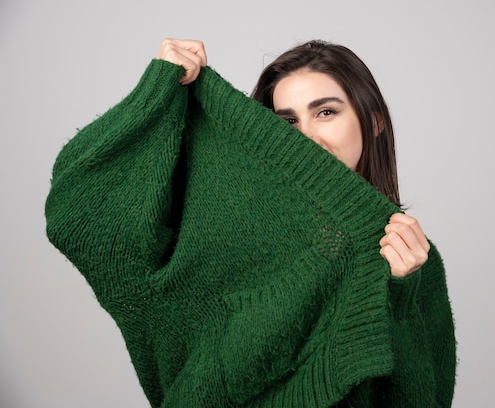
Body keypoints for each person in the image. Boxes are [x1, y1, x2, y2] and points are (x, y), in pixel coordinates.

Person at [46, 38, 456, 407]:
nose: (307, 137)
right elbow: (82, 215)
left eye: (326, 112)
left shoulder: (413, 258)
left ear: (375, 121)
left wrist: (400, 298)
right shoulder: (234, 225)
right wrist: (156, 90)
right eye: (288, 121)